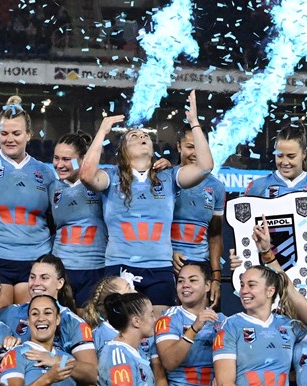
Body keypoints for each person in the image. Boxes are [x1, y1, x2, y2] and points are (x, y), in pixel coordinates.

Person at [80, 91, 214, 314]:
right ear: (123, 151)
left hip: (159, 268)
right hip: (119, 266)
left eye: (145, 136)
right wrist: (102, 131)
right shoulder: (111, 176)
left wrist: (195, 123)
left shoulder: (169, 176)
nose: (142, 137)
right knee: (120, 330)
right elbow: (86, 175)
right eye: (133, 136)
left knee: (157, 335)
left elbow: (205, 166)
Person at [213, 222, 307, 386]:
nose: (244, 290)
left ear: (271, 291)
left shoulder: (288, 326)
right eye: (242, 285)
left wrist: (270, 258)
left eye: (252, 285)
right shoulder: (230, 326)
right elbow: (224, 385)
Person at [0, 96, 57, 308]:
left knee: (28, 324)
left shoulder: (45, 172)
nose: (9, 139)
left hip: (34, 259)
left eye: (16, 133)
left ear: (28, 135)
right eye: (4, 133)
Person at [0, 254, 97, 385]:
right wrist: (4, 345)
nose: (36, 283)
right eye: (32, 277)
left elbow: (93, 374)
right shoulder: (9, 313)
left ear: (60, 283)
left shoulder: (74, 323)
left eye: (44, 278)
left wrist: (56, 360)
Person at [245, 124, 307, 261]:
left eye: (291, 156)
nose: (285, 162)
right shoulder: (256, 187)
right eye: (280, 156)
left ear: (303, 154)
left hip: (306, 268)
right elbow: (244, 230)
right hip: (266, 268)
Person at [171, 124, 226, 307]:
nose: (195, 152)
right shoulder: (163, 178)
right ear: (179, 147)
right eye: (189, 146)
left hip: (200, 267)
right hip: (165, 265)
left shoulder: (216, 187)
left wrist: (216, 278)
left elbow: (215, 236)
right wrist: (166, 253)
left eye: (200, 147)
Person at [51, 132, 108, 306]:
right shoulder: (51, 186)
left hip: (94, 269)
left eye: (67, 159)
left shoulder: (104, 182)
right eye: (56, 158)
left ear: (83, 159)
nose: (59, 164)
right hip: (61, 269)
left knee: (88, 326)